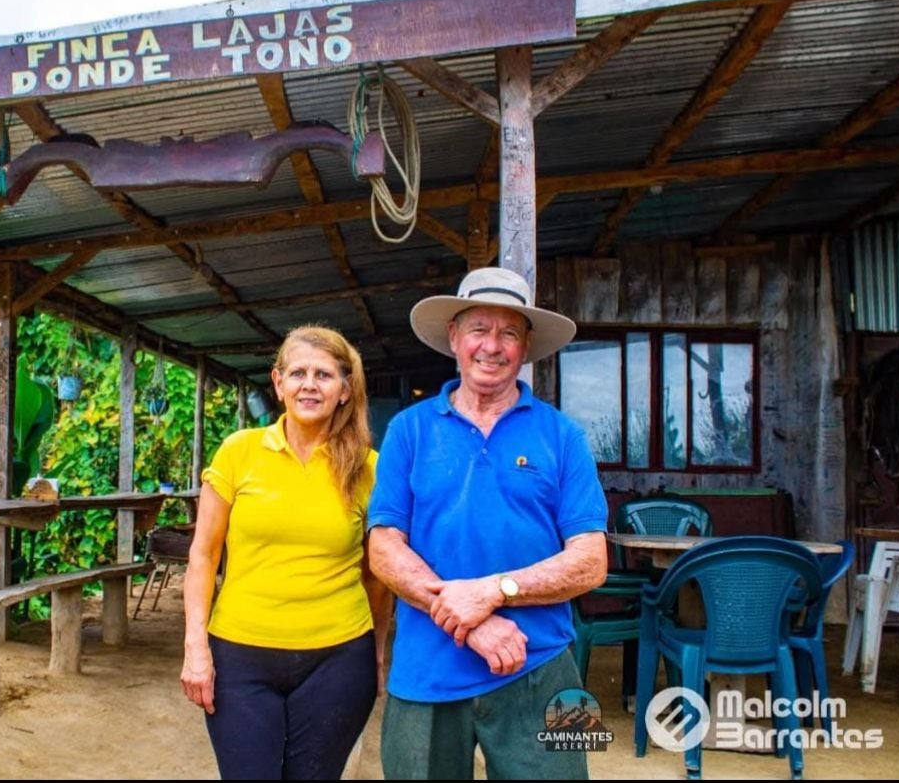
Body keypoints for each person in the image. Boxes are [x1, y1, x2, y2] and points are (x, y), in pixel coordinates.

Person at [367, 267, 609, 780]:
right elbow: (384, 548)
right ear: (454, 337)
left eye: (509, 333)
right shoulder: (408, 430)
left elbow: (590, 561)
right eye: (479, 328)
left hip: (541, 664)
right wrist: (470, 619)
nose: (491, 346)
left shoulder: (563, 436)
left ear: (526, 346)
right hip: (427, 669)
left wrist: (496, 591)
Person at [181, 325, 392, 780]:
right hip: (240, 656)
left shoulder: (369, 469)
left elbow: (377, 577)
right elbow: (203, 555)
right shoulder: (240, 452)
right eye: (297, 373)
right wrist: (195, 645)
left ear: (344, 390)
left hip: (338, 660)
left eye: (324, 374)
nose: (309, 384)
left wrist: (375, 654)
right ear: (278, 384)